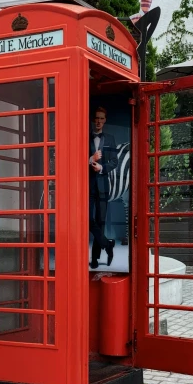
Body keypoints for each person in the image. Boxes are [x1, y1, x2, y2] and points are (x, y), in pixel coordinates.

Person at [89, 106, 118, 269]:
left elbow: (115, 161)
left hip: (103, 186)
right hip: (87, 187)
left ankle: (95, 258)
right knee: (87, 220)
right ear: (93, 120)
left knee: (100, 222)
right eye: (96, 118)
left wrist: (102, 168)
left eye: (101, 118)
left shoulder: (110, 139)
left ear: (105, 120)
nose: (99, 121)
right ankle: (108, 244)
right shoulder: (85, 138)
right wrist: (90, 159)